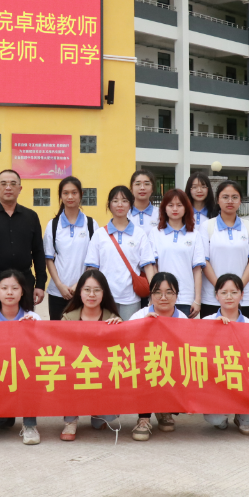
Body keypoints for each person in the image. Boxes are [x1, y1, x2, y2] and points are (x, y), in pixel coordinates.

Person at [0, 269, 42, 445]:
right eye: (4, 288)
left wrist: (31, 331)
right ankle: (7, 414)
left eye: (15, 288)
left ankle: (30, 425)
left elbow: (42, 351)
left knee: (29, 375)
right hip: (0, 375)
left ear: (22, 291)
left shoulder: (33, 317)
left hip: (26, 373)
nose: (9, 292)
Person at [126, 272, 189, 440]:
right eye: (157, 292)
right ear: (151, 295)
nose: (163, 297)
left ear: (176, 295)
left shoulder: (183, 319)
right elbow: (126, 344)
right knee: (146, 368)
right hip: (146, 368)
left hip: (171, 368)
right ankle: (144, 418)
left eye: (169, 292)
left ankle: (165, 409)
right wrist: (143, 326)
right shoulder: (139, 316)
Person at [60, 270, 121, 441]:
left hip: (102, 376)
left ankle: (97, 412)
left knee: (101, 423)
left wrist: (121, 328)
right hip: (76, 373)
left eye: (97, 290)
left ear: (104, 293)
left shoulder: (113, 319)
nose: (91, 295)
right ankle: (71, 419)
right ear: (79, 292)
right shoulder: (68, 319)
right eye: (87, 290)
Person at [84, 185, 156, 321]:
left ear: (130, 204)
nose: (120, 204)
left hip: (131, 298)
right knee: (105, 332)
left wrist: (153, 293)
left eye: (124, 200)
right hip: (104, 297)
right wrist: (90, 293)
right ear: (109, 205)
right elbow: (92, 269)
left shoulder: (139, 234)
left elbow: (148, 266)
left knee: (129, 332)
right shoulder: (100, 234)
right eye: (115, 201)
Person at [0, 169, 47, 309]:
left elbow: (38, 252)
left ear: (20, 188)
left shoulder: (31, 216)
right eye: (3, 184)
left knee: (25, 320)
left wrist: (40, 284)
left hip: (25, 282)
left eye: (13, 184)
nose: (8, 187)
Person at [200, 180, 249, 321]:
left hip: (242, 297)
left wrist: (237, 289)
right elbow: (204, 261)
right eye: (225, 197)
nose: (230, 201)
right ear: (218, 200)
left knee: (241, 334)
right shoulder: (207, 226)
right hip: (212, 297)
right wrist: (220, 289)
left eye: (234, 197)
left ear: (240, 200)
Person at [202, 273, 249, 435]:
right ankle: (223, 416)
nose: (229, 297)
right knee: (215, 420)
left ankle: (243, 414)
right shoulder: (206, 322)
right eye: (224, 292)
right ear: (216, 295)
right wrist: (213, 329)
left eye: (234, 292)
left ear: (242, 295)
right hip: (216, 380)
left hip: (242, 380)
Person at [44, 176, 99, 320]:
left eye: (74, 192)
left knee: (81, 331)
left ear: (81, 195)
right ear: (60, 196)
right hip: (57, 292)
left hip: (84, 292)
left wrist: (78, 285)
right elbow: (49, 259)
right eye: (66, 193)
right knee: (57, 331)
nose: (70, 197)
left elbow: (94, 260)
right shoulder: (53, 225)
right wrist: (59, 285)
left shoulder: (91, 224)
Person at [151, 189, 204, 317]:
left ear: (186, 208)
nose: (175, 209)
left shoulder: (194, 234)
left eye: (179, 205)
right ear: (164, 208)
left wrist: (197, 299)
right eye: (170, 205)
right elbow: (153, 267)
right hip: (162, 297)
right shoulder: (155, 233)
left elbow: (197, 270)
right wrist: (153, 295)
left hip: (186, 297)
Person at [129, 169, 161, 240]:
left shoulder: (160, 214)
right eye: (138, 184)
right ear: (131, 188)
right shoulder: (125, 214)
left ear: (152, 189)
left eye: (147, 184)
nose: (142, 188)